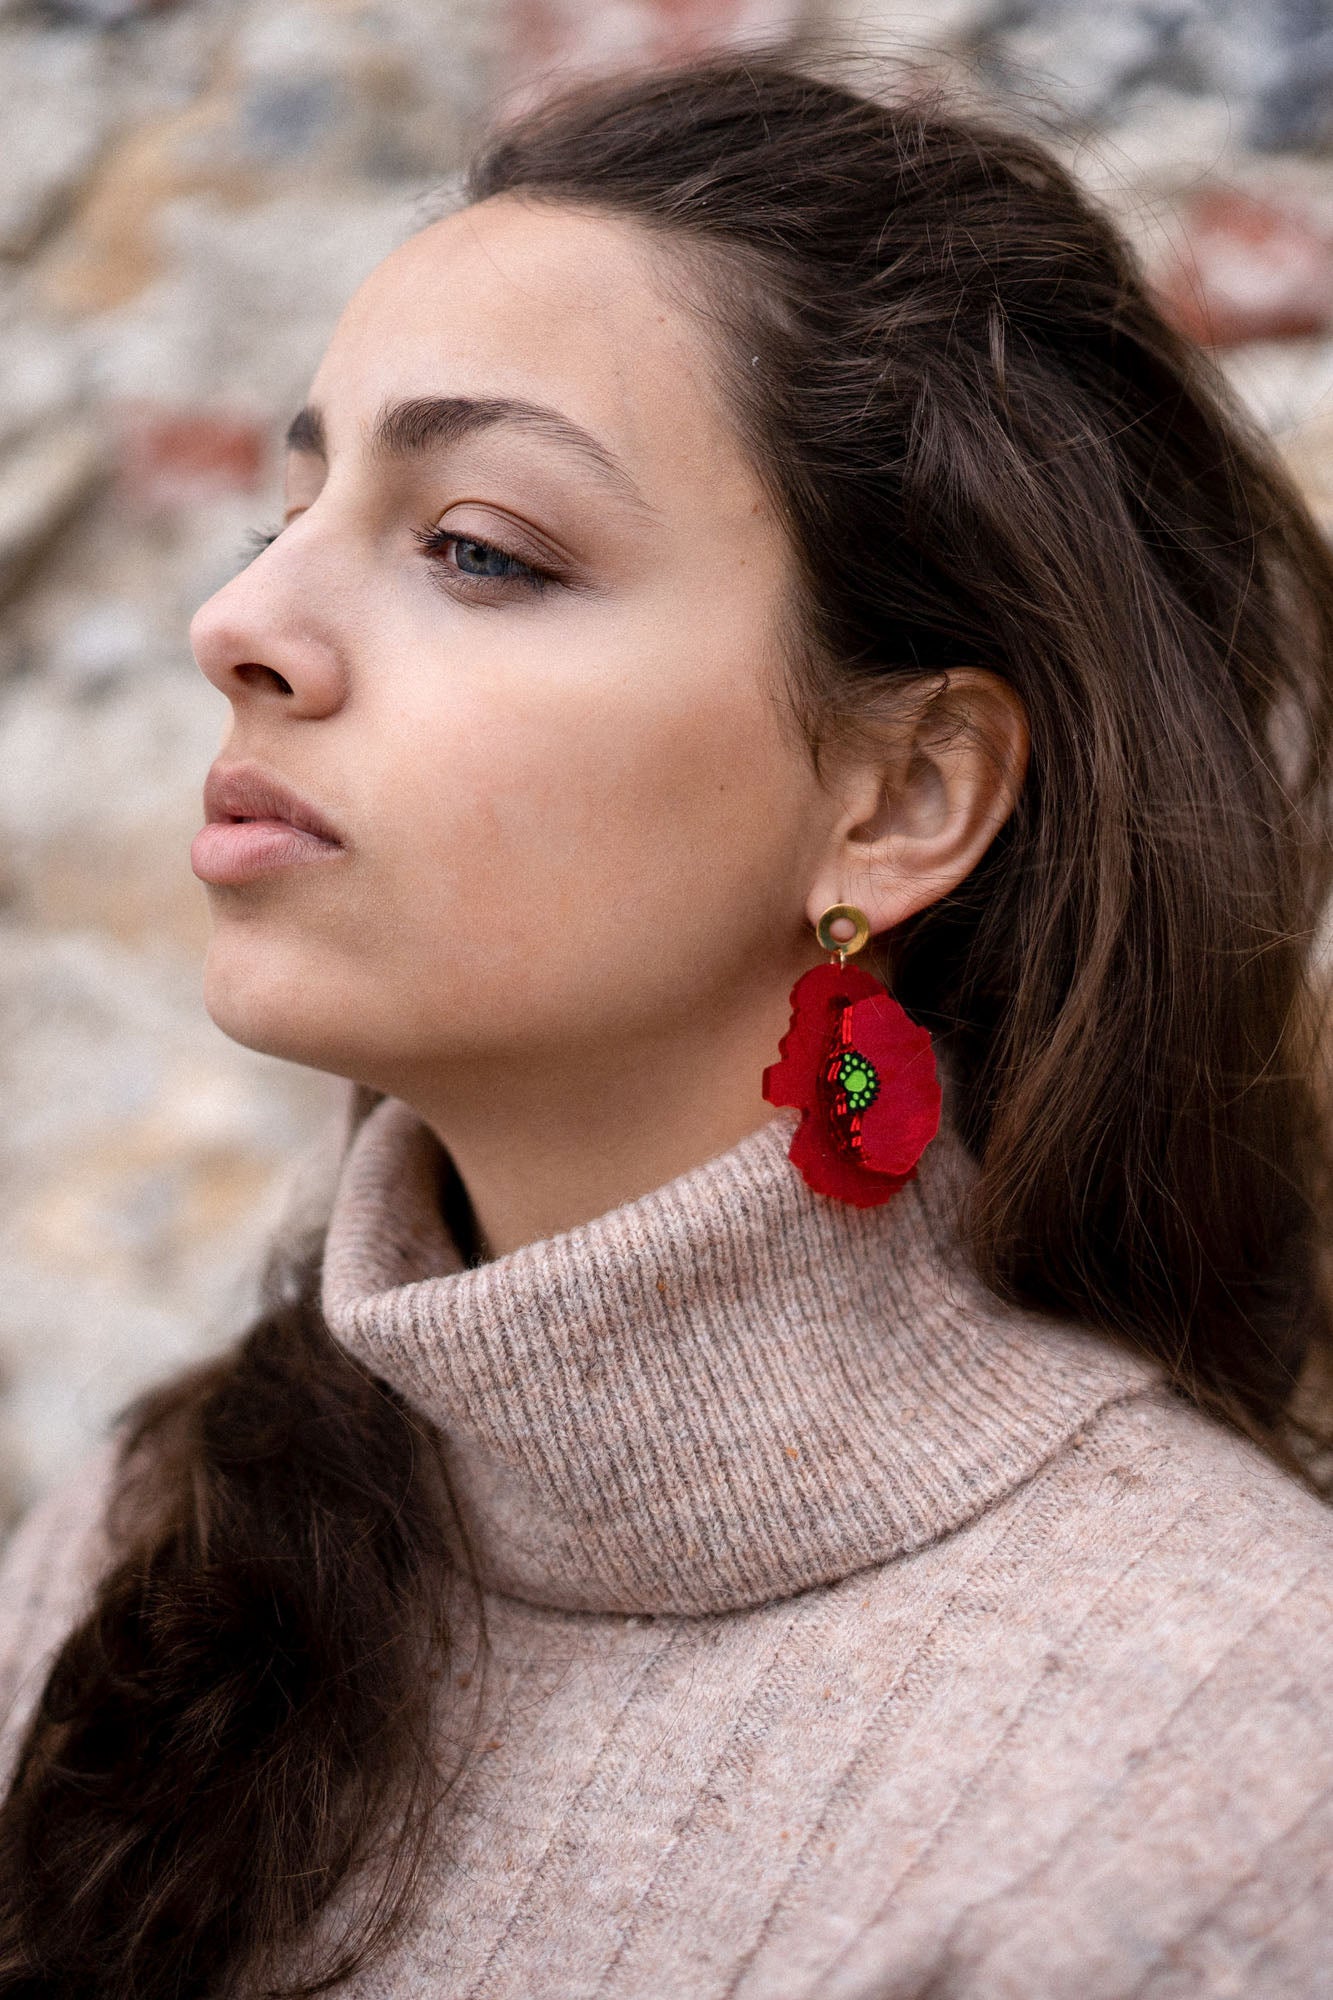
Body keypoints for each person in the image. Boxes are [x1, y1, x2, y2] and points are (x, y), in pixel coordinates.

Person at [2, 44, 1332, 2000]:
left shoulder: (1211, 1750)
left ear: (901, 794)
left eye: (479, 546)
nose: (242, 622)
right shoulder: (155, 1531)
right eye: (285, 513)